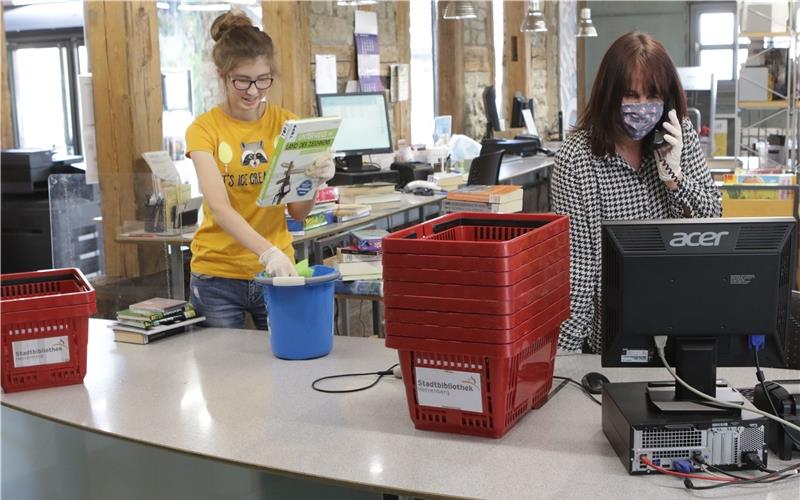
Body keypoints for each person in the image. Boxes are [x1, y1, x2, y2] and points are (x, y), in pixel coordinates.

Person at [550, 32, 721, 353]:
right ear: (609, 95)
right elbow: (579, 268)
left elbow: (713, 221)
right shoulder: (576, 158)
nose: (642, 108)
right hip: (612, 335)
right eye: (631, 96)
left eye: (652, 96)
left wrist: (675, 178)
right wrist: (565, 357)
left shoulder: (679, 134)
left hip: (682, 317)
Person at [184, 10, 334, 329]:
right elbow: (220, 209)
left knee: (289, 368)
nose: (253, 91)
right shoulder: (203, 130)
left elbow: (298, 213)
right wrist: (268, 253)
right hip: (218, 277)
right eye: (242, 80)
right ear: (222, 75)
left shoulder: (287, 125)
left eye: (262, 80)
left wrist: (314, 181)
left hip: (278, 272)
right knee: (227, 375)